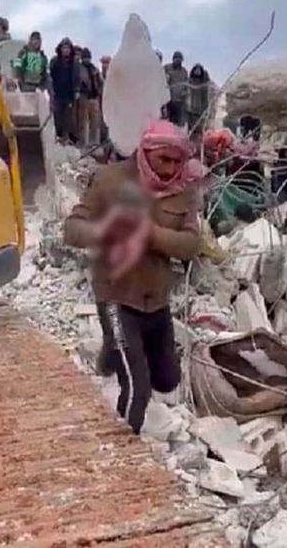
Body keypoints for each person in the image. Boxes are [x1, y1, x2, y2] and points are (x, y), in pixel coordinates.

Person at [63, 120, 203, 434]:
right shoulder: (110, 179)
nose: (170, 169)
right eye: (163, 160)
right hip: (116, 296)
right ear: (146, 152)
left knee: (167, 380)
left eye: (177, 161)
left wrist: (149, 233)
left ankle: (110, 354)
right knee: (138, 388)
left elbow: (191, 245)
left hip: (156, 300)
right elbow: (72, 228)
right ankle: (124, 448)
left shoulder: (184, 190)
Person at [50, 37, 79, 144]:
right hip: (57, 94)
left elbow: (77, 78)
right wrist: (50, 90)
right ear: (60, 49)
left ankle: (66, 139)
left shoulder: (74, 63)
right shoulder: (55, 61)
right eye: (64, 48)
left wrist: (77, 90)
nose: (66, 50)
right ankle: (57, 137)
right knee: (57, 116)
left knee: (68, 119)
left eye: (68, 48)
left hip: (69, 95)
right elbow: (50, 76)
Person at [78, 48, 104, 148]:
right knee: (84, 122)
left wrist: (99, 93)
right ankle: (84, 143)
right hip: (84, 97)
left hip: (94, 97)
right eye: (85, 57)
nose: (86, 59)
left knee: (95, 122)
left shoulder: (95, 69)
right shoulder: (79, 69)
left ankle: (95, 143)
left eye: (87, 57)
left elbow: (101, 83)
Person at [164, 51, 189, 127]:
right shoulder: (167, 68)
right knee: (166, 121)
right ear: (173, 59)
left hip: (179, 102)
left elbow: (187, 85)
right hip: (168, 101)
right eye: (176, 59)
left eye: (179, 59)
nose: (178, 61)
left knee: (178, 123)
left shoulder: (184, 71)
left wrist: (185, 92)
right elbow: (162, 81)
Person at [187, 64, 212, 135]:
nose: (197, 71)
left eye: (199, 70)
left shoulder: (204, 85)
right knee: (190, 129)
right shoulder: (190, 81)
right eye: (196, 69)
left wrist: (205, 109)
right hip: (190, 110)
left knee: (199, 129)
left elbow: (205, 97)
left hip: (199, 110)